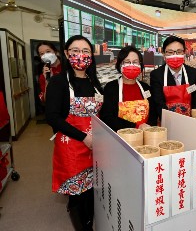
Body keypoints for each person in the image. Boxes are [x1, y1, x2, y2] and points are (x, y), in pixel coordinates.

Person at [46, 35, 103, 231]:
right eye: (75, 51)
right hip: (72, 147)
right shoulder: (59, 82)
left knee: (91, 192)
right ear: (66, 53)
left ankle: (89, 223)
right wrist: (84, 137)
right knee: (77, 194)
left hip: (94, 146)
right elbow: (53, 117)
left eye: (86, 51)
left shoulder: (94, 81)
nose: (81, 55)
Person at [100, 46, 157, 131]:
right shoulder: (111, 88)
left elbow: (153, 113)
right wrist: (135, 127)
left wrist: (148, 128)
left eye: (135, 62)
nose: (131, 65)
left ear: (140, 65)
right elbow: (107, 117)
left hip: (145, 135)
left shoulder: (146, 87)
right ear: (120, 65)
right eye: (127, 62)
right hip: (120, 138)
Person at [150, 36, 196, 120]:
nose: (175, 55)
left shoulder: (193, 73)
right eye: (170, 52)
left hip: (190, 121)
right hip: (167, 122)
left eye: (179, 51)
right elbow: (158, 103)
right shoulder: (156, 75)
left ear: (184, 53)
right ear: (164, 54)